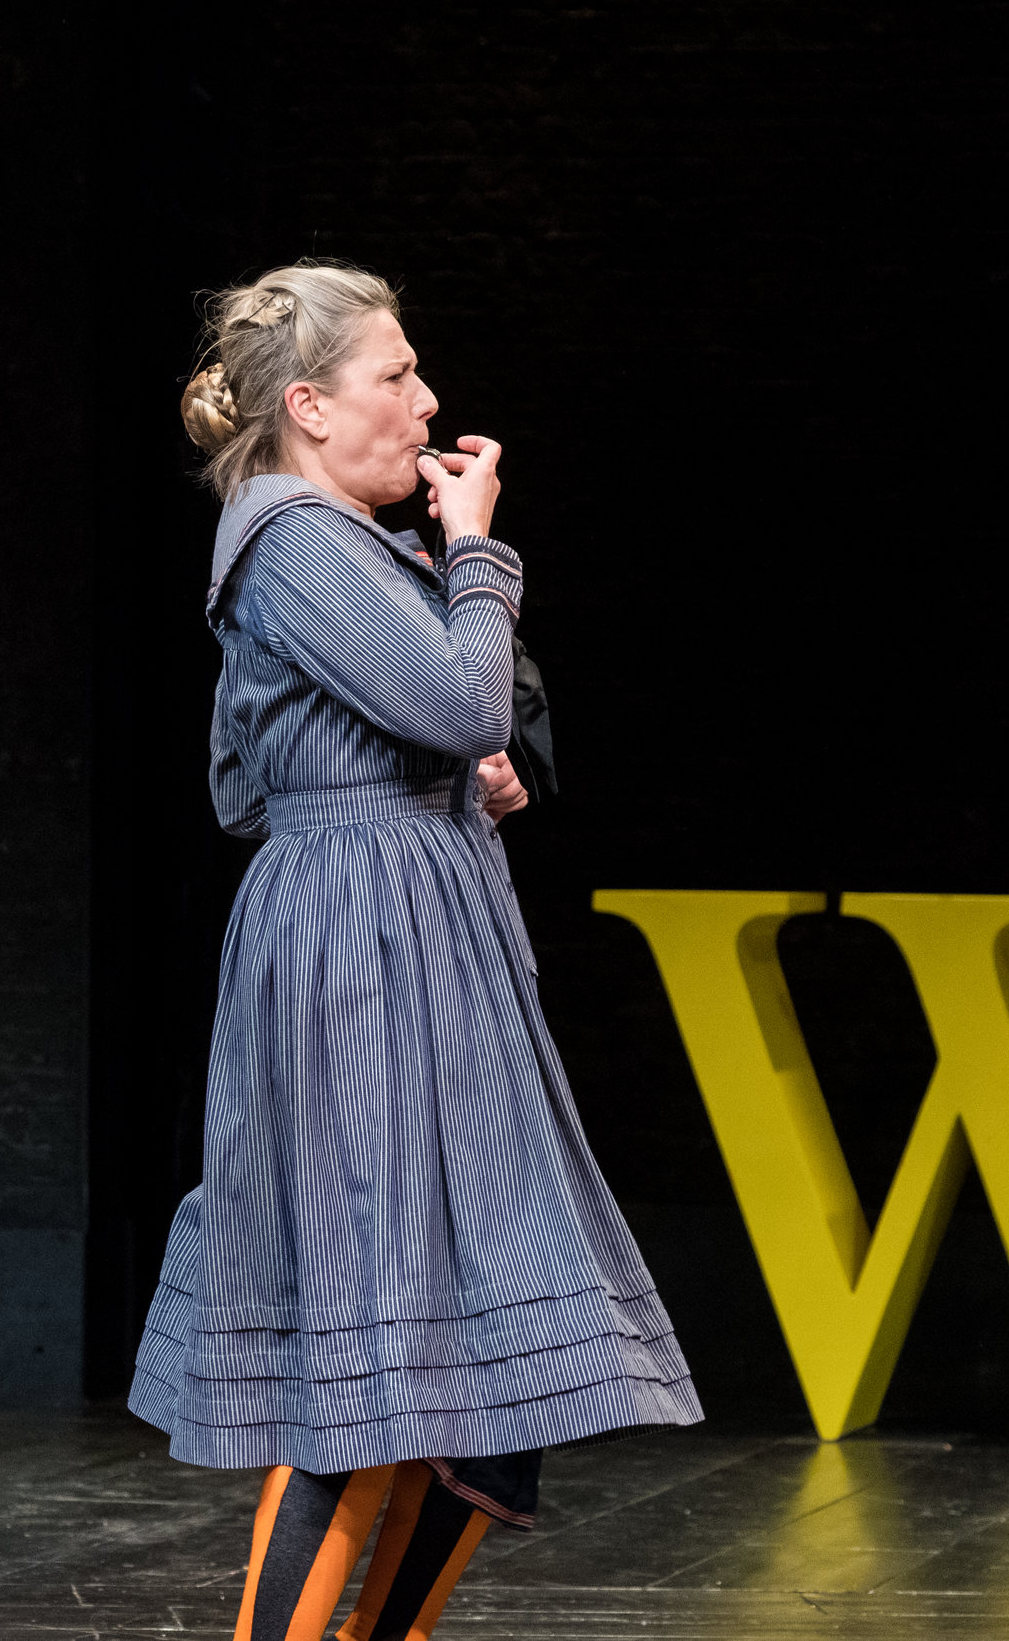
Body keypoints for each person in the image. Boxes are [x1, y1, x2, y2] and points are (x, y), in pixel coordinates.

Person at [131, 263, 701, 1641]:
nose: (429, 400)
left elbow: (244, 778)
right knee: (375, 1362)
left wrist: (439, 786)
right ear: (311, 407)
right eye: (397, 376)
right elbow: (456, 695)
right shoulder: (293, 540)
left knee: (485, 1387)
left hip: (417, 932)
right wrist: (476, 551)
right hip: (363, 966)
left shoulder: (332, 546)